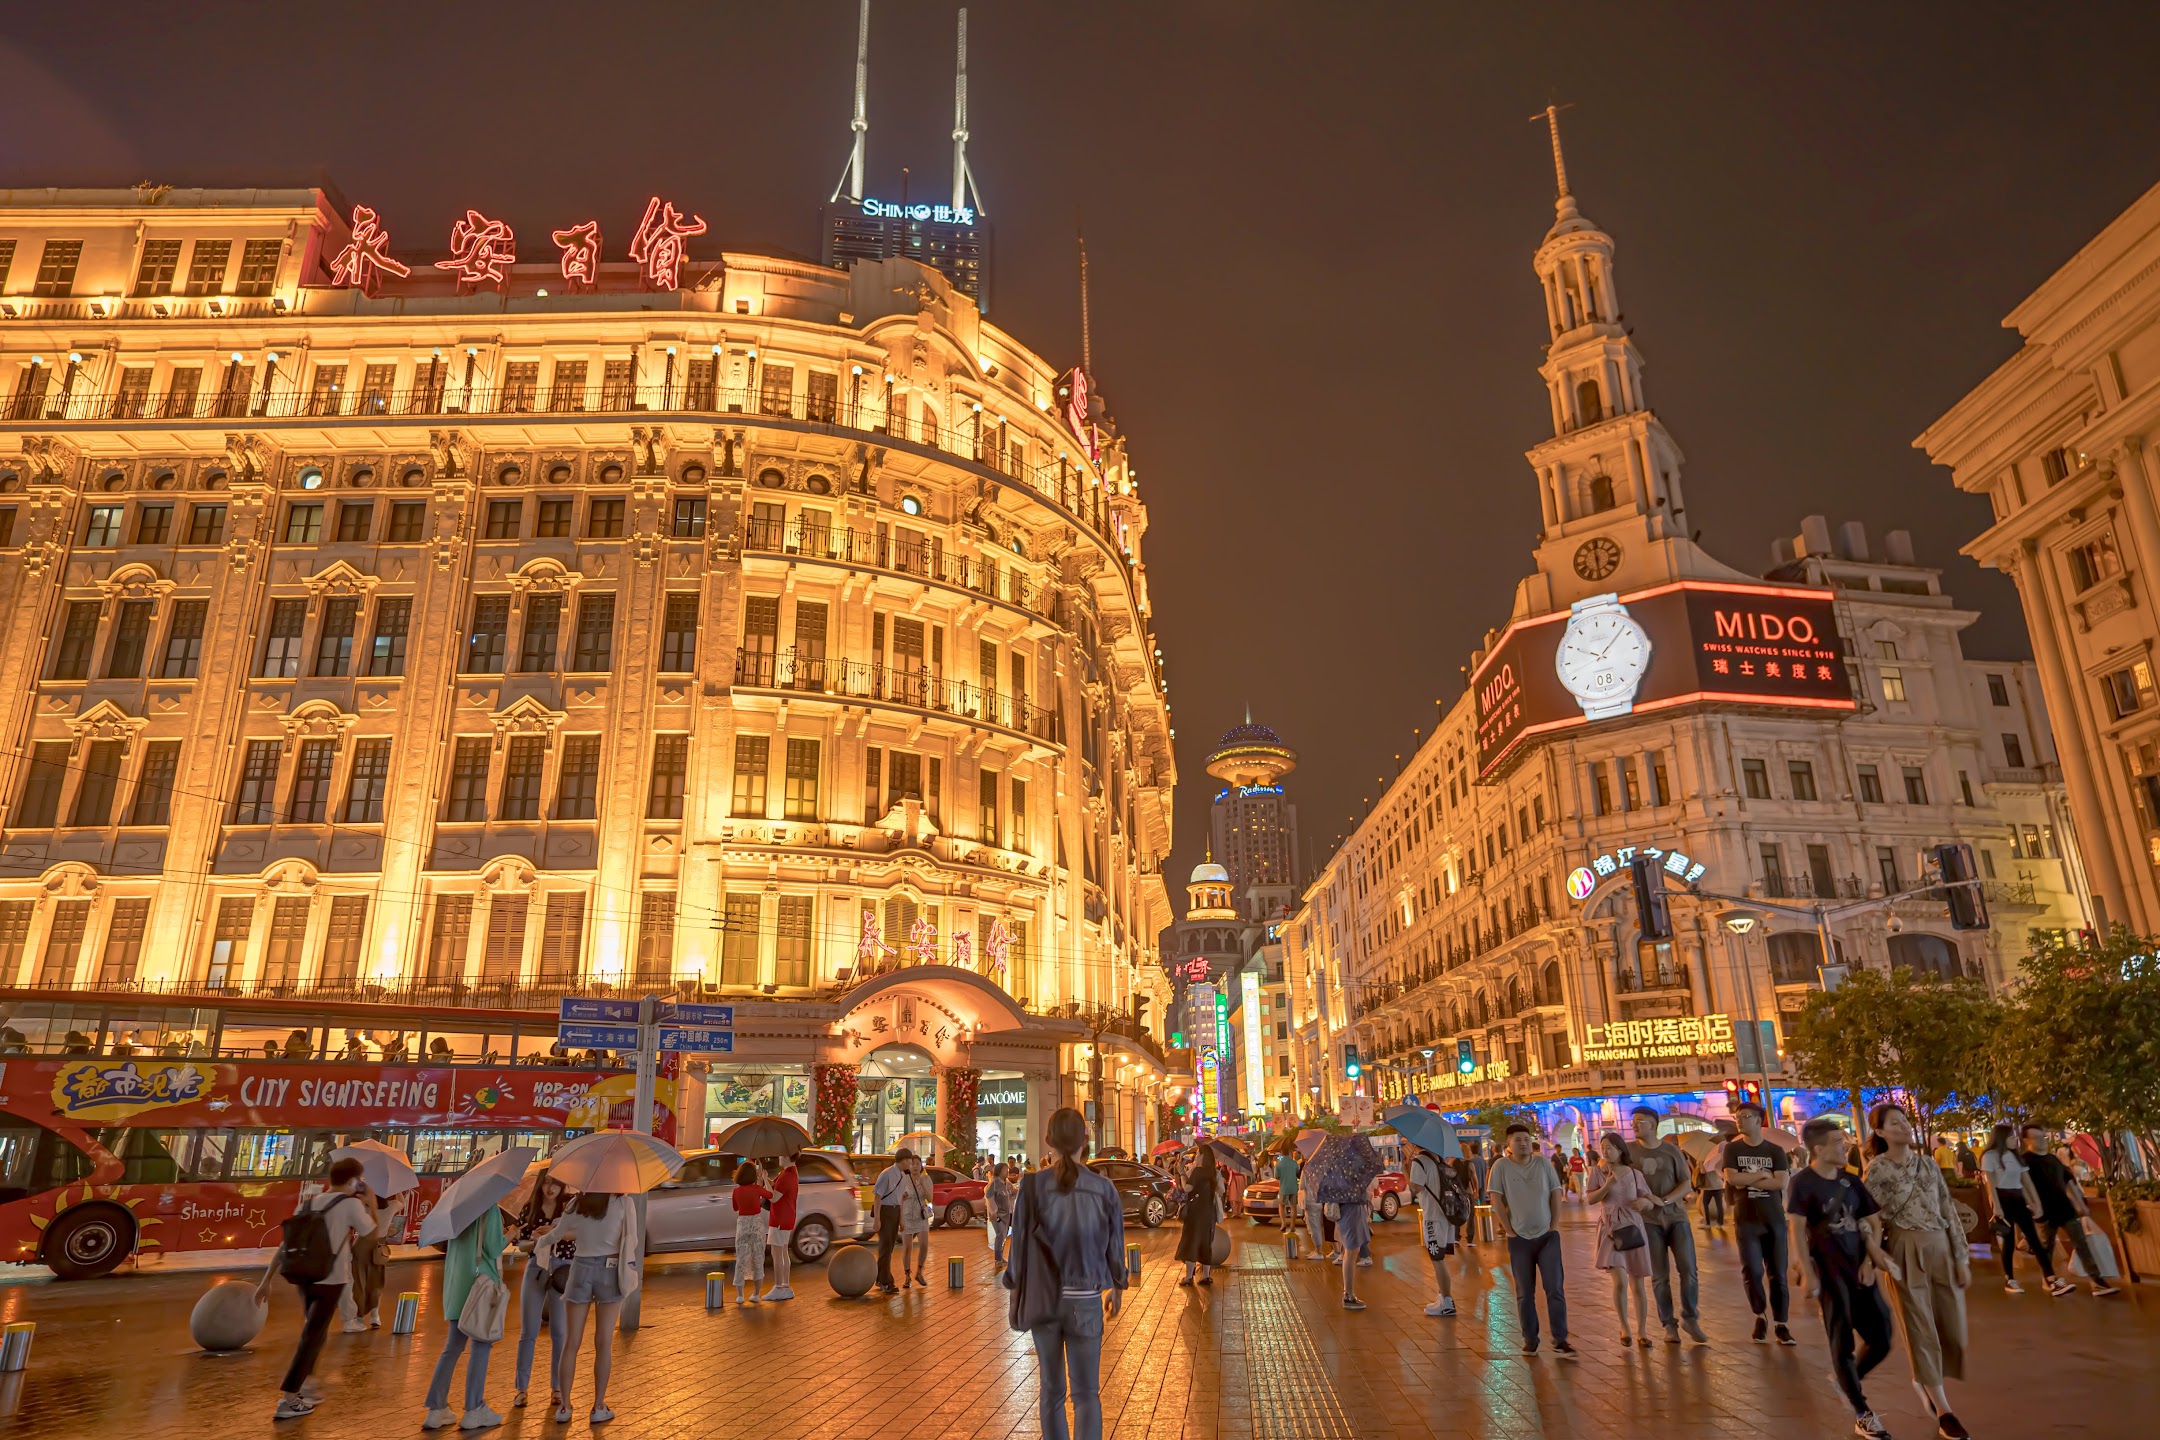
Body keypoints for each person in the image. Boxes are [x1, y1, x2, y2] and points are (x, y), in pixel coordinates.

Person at [1004, 1106, 1125, 1440]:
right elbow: (1115, 1246)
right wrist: (1117, 1286)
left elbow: (1018, 1246)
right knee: (1086, 1395)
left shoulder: (1030, 1187)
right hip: (1086, 1301)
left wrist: (1013, 1283)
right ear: (1085, 1141)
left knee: (1052, 1391)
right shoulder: (1104, 1190)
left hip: (1043, 1301)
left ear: (1048, 1142)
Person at [1865, 1102, 1972, 1439]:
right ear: (1880, 1132)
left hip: (1940, 1245)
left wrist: (1961, 1257)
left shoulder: (1928, 1163)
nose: (1904, 1127)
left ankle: (1923, 1379)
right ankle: (1944, 1409)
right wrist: (1871, 1258)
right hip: (1903, 1249)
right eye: (1894, 1123)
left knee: (1951, 1327)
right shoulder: (1877, 1170)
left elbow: (1948, 1209)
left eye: (1905, 1121)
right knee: (1920, 1327)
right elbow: (1869, 1219)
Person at [1787, 1117, 1897, 1439]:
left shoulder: (1851, 1182)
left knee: (1882, 1336)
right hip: (1829, 1273)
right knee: (1842, 1343)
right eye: (1838, 1142)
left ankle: (1847, 1382)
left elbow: (1874, 1223)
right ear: (1819, 1149)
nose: (1844, 1146)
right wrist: (1808, 1274)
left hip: (1859, 1270)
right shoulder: (1803, 1184)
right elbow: (1795, 1228)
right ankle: (1862, 1412)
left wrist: (1869, 1261)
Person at [257, 1157, 374, 1421]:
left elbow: (286, 1245)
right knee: (312, 1337)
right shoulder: (352, 1204)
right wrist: (370, 1201)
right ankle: (289, 1398)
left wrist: (266, 1280)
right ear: (353, 1180)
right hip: (331, 1280)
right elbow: (371, 1232)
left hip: (305, 1277)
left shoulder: (308, 1203)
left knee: (314, 1334)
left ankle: (306, 1385)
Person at [537, 1191, 640, 1426]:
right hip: (609, 1270)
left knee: (572, 1341)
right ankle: (598, 1406)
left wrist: (539, 1243)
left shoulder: (576, 1202)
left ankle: (564, 1406)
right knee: (603, 1342)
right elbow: (631, 1239)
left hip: (580, 1269)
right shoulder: (624, 1202)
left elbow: (557, 1234)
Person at [420, 1186, 507, 1431]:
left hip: (456, 1286)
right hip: (478, 1286)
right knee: (481, 1346)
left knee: (452, 1348)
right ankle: (474, 1408)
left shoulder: (454, 1210)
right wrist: (511, 1233)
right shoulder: (488, 1208)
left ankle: (436, 1409)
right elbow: (493, 1247)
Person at [1487, 1123, 1574, 1358]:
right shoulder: (1501, 1167)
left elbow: (1556, 1192)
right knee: (1525, 1292)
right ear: (1509, 1144)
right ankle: (1530, 1339)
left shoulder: (1543, 1163)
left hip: (1547, 1237)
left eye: (1526, 1138)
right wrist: (1508, 1229)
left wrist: (1554, 1226)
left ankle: (1560, 1339)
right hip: (1520, 1239)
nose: (1523, 1143)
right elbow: (1495, 1198)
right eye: (1518, 1139)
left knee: (1555, 1288)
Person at [1625, 1107, 1706, 1344]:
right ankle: (1669, 1325)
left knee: (1689, 1270)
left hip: (1676, 1217)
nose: (1635, 1125)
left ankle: (1690, 1317)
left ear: (1653, 1124)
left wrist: (1664, 1200)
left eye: (1640, 1121)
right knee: (1660, 1276)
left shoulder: (1670, 1151)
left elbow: (1686, 1184)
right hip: (1648, 1223)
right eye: (1633, 1121)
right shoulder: (1628, 1152)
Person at [1721, 1101, 1796, 1346]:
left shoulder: (1775, 1151)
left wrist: (1749, 1180)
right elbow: (1733, 1179)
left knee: (1778, 1275)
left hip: (1773, 1218)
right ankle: (1760, 1315)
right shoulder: (1732, 1149)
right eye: (1737, 1117)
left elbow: (1781, 1184)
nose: (1739, 1120)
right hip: (1746, 1220)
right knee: (1752, 1271)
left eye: (1744, 1116)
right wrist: (1764, 1175)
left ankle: (1781, 1324)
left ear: (1758, 1119)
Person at [2020, 1124, 2118, 1297]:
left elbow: (2068, 1182)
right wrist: (2034, 1208)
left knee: (2082, 1244)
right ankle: (2049, 1278)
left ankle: (2097, 1281)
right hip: (2044, 1212)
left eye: (2043, 1137)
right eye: (2036, 1138)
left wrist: (2079, 1203)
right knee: (2046, 1247)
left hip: (2065, 1208)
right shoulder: (2025, 1162)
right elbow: (2023, 1188)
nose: (2041, 1141)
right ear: (2026, 1140)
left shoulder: (2053, 1159)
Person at [509, 1173, 572, 1412]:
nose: (550, 1188)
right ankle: (521, 1389)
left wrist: (555, 1232)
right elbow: (521, 1244)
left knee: (559, 1331)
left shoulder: (569, 1207)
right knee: (529, 1330)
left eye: (555, 1182)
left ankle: (557, 1387)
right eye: (546, 1182)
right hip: (536, 1268)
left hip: (563, 1269)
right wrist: (535, 1240)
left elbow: (578, 1237)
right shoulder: (530, 1209)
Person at [1585, 1132, 1652, 1347]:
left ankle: (1642, 1331)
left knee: (1638, 1282)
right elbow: (1591, 1199)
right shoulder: (1598, 1171)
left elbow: (1648, 1199)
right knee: (1620, 1280)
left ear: (1621, 1149)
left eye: (1610, 1147)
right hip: (1611, 1229)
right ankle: (1624, 1327)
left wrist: (1644, 1203)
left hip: (1632, 1227)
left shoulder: (1634, 1174)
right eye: (1603, 1147)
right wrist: (1607, 1185)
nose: (1606, 1151)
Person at [1980, 1121, 2058, 1295]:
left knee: (2034, 1240)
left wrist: (2036, 1203)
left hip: (2018, 1198)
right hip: (2003, 1198)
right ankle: (2010, 1278)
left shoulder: (2016, 1157)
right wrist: (1996, 1207)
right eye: (2011, 1136)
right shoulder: (1990, 1156)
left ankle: (2051, 1277)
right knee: (2008, 1242)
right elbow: (1991, 1185)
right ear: (2001, 1138)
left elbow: (2026, 1182)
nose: (2015, 1140)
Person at [337, 1183, 406, 1333]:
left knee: (359, 1282)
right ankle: (375, 1316)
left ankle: (360, 1317)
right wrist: (397, 1189)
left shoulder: (365, 1207)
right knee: (376, 1282)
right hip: (379, 1248)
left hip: (361, 1245)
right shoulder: (392, 1206)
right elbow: (403, 1203)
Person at [1405, 1138, 1458, 1317]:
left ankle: (1447, 1302)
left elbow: (1415, 1188)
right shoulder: (1438, 1159)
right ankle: (1443, 1296)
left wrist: (1407, 1167)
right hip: (1446, 1214)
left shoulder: (1420, 1161)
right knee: (1440, 1258)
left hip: (1433, 1217)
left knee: (1437, 1259)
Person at [871, 1147, 916, 1294]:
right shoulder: (887, 1174)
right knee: (885, 1247)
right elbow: (877, 1197)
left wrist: (901, 1219)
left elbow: (900, 1199)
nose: (911, 1164)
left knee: (889, 1247)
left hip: (895, 1211)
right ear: (903, 1160)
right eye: (910, 1161)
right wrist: (877, 1219)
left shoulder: (903, 1176)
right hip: (885, 1211)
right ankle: (886, 1281)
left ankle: (880, 1278)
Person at [730, 1160, 774, 1305]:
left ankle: (740, 1295)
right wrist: (763, 1179)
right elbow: (771, 1195)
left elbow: (735, 1208)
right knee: (758, 1258)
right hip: (756, 1224)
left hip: (742, 1224)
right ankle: (755, 1294)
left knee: (741, 1259)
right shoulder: (757, 1189)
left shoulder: (736, 1191)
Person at [1176, 1148, 1220, 1286]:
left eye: (1198, 1155)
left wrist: (1182, 1172)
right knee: (1206, 1242)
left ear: (1202, 1157)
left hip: (1196, 1212)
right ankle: (1206, 1275)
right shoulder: (1213, 1172)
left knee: (1191, 1241)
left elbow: (1187, 1188)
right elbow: (1220, 1191)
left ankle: (1189, 1276)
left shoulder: (1198, 1171)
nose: (1195, 1157)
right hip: (1209, 1212)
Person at [764, 1149, 800, 1301]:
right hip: (786, 1217)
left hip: (780, 1218)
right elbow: (777, 1188)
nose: (778, 1157)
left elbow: (773, 1198)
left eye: (780, 1155)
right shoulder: (790, 1173)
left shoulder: (787, 1176)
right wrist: (768, 1180)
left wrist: (765, 1179)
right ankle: (785, 1285)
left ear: (786, 1157)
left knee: (777, 1253)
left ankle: (779, 1287)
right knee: (783, 1251)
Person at [900, 1150, 934, 1286]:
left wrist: (922, 1185)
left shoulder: (926, 1179)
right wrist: (902, 1197)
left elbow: (930, 1198)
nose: (914, 1166)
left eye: (917, 1163)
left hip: (921, 1216)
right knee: (907, 1247)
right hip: (907, 1216)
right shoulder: (903, 1179)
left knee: (924, 1245)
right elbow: (898, 1198)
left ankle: (919, 1272)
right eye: (912, 1163)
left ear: (921, 1166)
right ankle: (907, 1275)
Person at [988, 1161, 1019, 1269]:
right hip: (998, 1215)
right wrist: (993, 1211)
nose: (1007, 1172)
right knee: (1000, 1235)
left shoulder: (1006, 1183)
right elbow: (989, 1197)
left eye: (1007, 1170)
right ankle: (998, 1259)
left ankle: (1000, 1258)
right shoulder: (995, 1183)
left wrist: (1016, 1191)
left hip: (1006, 1214)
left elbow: (1013, 1191)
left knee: (1003, 1236)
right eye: (1005, 1170)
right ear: (999, 1171)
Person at [1698, 1135, 1727, 1226]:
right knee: (1719, 1205)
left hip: (1708, 1186)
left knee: (1705, 1204)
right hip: (1718, 1184)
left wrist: (1699, 1165)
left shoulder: (1703, 1158)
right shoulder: (1719, 1156)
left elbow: (1702, 1171)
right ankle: (1720, 1223)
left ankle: (1707, 1223)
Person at [1274, 1148, 1301, 1237]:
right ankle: (1293, 1225)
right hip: (1293, 1187)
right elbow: (1297, 1172)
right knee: (1293, 1207)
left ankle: (1283, 1223)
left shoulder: (1279, 1164)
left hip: (1284, 1188)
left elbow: (1276, 1176)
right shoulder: (1294, 1163)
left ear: (1281, 1153)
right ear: (1289, 1152)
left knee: (1281, 1206)